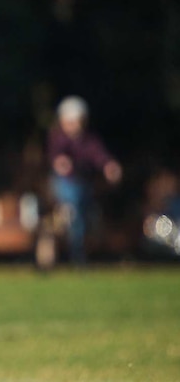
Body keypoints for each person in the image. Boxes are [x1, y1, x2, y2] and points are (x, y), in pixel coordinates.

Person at [46, 95, 122, 266]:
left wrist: (109, 166)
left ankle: (80, 250)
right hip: (66, 185)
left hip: (84, 186)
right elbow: (56, 157)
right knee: (74, 215)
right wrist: (60, 162)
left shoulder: (89, 140)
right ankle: (75, 254)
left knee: (87, 219)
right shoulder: (58, 138)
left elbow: (99, 156)